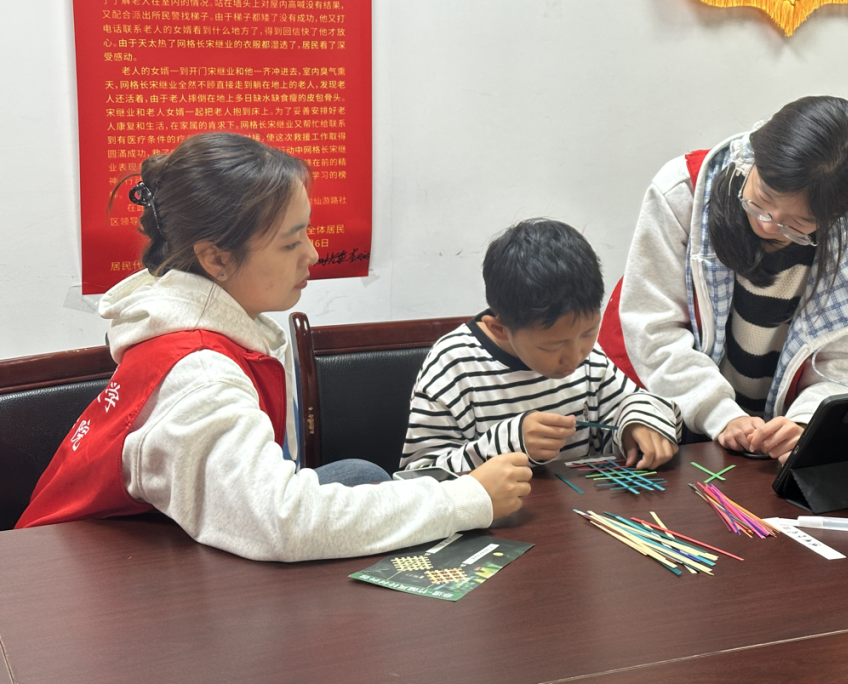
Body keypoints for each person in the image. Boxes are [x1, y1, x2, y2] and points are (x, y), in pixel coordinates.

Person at [16, 132, 532, 560]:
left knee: (360, 476)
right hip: (79, 585)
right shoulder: (200, 374)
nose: (312, 254)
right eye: (290, 242)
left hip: (138, 544)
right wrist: (466, 498)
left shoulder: (205, 323)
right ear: (216, 259)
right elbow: (281, 521)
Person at [599, 96, 848, 462]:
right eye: (763, 196)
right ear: (752, 158)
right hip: (665, 418)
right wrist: (720, 413)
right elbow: (653, 328)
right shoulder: (684, 193)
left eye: (799, 223)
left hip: (763, 444)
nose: (768, 223)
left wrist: (806, 422)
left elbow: (846, 364)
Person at [400, 219, 682, 474]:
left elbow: (640, 404)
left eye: (588, 333)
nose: (574, 358)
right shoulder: (452, 366)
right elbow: (419, 479)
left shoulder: (588, 358)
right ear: (500, 329)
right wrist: (508, 442)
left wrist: (638, 423)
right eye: (551, 347)